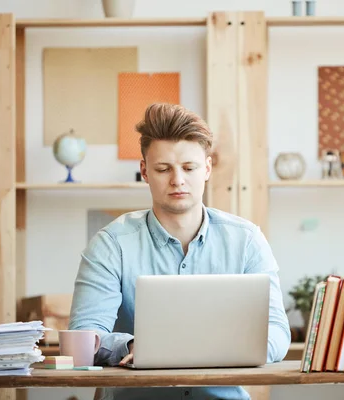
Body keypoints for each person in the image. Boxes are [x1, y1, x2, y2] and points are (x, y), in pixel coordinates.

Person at [68, 103, 291, 400]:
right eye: (163, 169)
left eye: (189, 168)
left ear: (208, 168)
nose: (178, 180)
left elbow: (276, 331)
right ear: (145, 171)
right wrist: (134, 346)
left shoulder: (247, 240)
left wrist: (216, 347)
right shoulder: (111, 244)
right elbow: (85, 337)